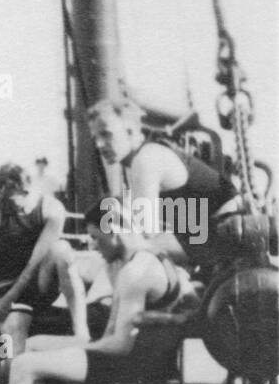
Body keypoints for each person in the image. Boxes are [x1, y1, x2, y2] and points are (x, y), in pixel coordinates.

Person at [0, 203, 197, 384]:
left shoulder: (134, 273)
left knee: (23, 365)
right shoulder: (146, 257)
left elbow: (119, 345)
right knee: (31, 345)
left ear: (113, 230)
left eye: (95, 237)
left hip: (133, 371)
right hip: (143, 360)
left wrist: (70, 352)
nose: (92, 246)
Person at [0, 163, 96, 384]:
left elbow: (34, 262)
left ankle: (82, 332)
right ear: (0, 193)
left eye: (23, 197)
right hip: (3, 285)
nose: (19, 204)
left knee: (62, 251)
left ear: (30, 189)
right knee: (8, 353)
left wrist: (8, 299)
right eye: (11, 199)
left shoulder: (52, 209)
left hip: (39, 280)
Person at [85, 97, 242, 273]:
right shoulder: (136, 161)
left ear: (129, 131)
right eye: (96, 138)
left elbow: (145, 232)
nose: (99, 144)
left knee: (130, 247)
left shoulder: (145, 160)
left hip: (225, 233)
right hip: (207, 235)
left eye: (106, 134)